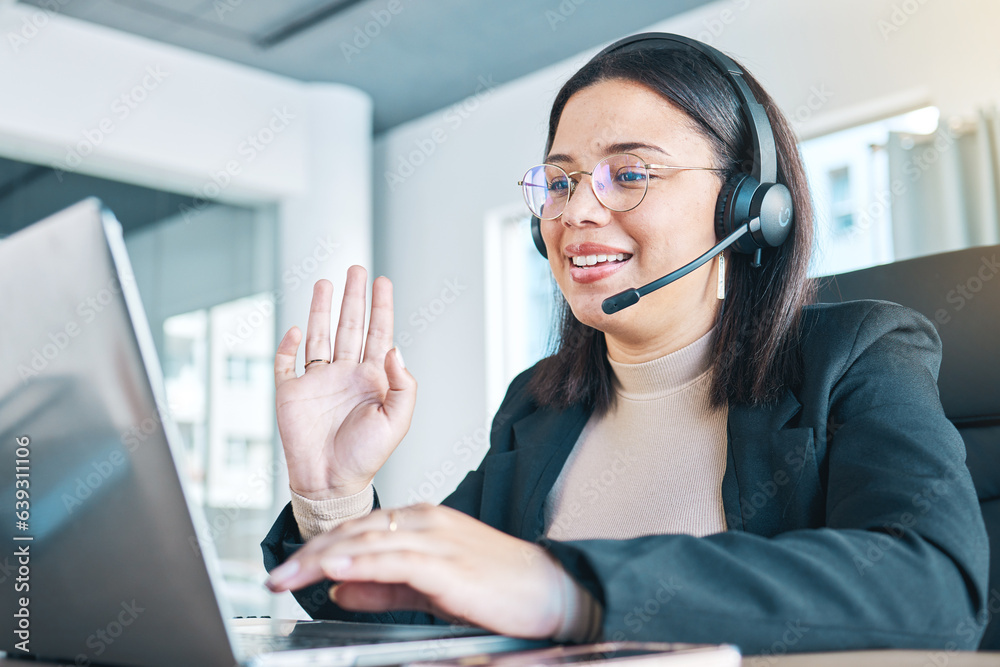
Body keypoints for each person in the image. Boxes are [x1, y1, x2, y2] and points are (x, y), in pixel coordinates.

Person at [261, 33, 989, 654]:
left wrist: (567, 588)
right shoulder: (537, 404)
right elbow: (419, 611)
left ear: (748, 206)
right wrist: (335, 497)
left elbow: (935, 587)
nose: (576, 211)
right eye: (560, 180)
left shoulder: (855, 353)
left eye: (629, 174)